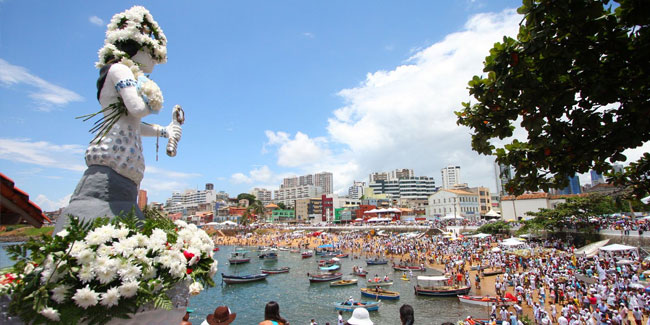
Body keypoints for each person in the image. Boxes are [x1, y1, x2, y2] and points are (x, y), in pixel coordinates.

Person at [53, 5, 182, 234]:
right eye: (153, 55)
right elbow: (136, 109)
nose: (154, 62)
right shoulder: (120, 70)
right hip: (114, 156)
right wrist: (152, 99)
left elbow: (133, 123)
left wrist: (164, 131)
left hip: (123, 159)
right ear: (138, 48)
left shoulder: (123, 73)